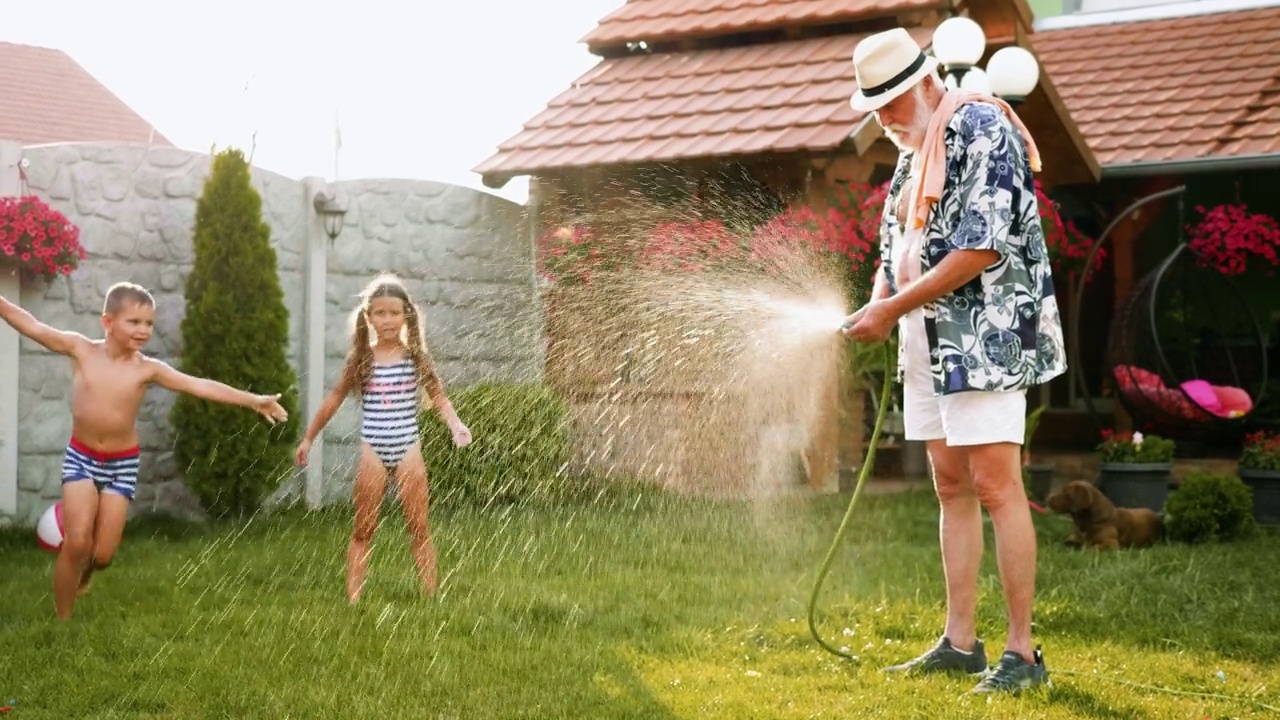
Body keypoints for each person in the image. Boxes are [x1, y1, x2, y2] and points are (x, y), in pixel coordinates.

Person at [841, 28, 1066, 694]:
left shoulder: (980, 131)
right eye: (874, 106)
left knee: (999, 486)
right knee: (948, 485)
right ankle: (960, 642)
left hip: (985, 339)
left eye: (887, 102)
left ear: (921, 84)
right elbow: (893, 251)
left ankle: (1022, 654)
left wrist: (891, 307)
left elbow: (981, 249)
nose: (881, 118)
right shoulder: (914, 153)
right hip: (926, 341)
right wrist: (878, 303)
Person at [0, 282, 289, 620]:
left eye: (148, 324)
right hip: (82, 457)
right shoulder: (81, 350)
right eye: (134, 322)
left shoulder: (147, 369)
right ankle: (62, 619)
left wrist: (252, 400)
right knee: (77, 541)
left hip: (121, 464)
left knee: (104, 554)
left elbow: (198, 385)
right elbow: (31, 324)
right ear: (107, 322)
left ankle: (87, 575)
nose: (143, 330)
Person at [294, 274, 471, 604]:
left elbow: (439, 397)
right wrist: (308, 438)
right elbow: (333, 399)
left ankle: (432, 597)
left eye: (393, 313)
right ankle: (354, 599)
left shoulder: (416, 357)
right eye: (380, 313)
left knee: (419, 529)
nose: (387, 320)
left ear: (406, 315)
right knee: (364, 529)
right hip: (373, 452)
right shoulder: (361, 359)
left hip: (409, 450)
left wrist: (455, 425)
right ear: (368, 317)